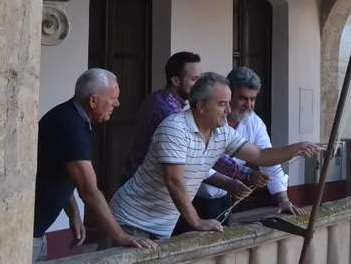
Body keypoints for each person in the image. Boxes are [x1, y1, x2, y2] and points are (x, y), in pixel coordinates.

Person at [103, 72, 322, 245]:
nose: (228, 110)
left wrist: (297, 148)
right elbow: (174, 180)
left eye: (228, 103)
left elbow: (260, 156)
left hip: (161, 227)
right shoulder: (174, 127)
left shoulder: (221, 131)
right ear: (200, 106)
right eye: (222, 104)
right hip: (129, 221)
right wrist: (197, 222)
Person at [121, 52, 269, 235]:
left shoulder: (179, 106)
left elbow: (260, 153)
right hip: (144, 202)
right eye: (195, 79)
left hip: (165, 201)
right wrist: (244, 174)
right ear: (176, 81)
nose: (200, 84)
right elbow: (200, 157)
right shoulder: (171, 115)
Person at [31, 69, 156, 262]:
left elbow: (62, 171)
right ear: (93, 101)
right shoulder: (69, 125)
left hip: (38, 231)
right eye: (113, 98)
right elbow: (89, 190)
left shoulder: (73, 118)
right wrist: (121, 236)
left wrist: (74, 214)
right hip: (29, 234)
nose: (117, 103)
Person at [180, 67, 300, 231]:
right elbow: (201, 161)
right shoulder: (199, 120)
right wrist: (236, 179)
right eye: (243, 98)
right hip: (188, 198)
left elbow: (265, 158)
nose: (248, 105)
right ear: (229, 95)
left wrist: (283, 200)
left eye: (253, 99)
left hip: (221, 199)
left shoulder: (254, 123)